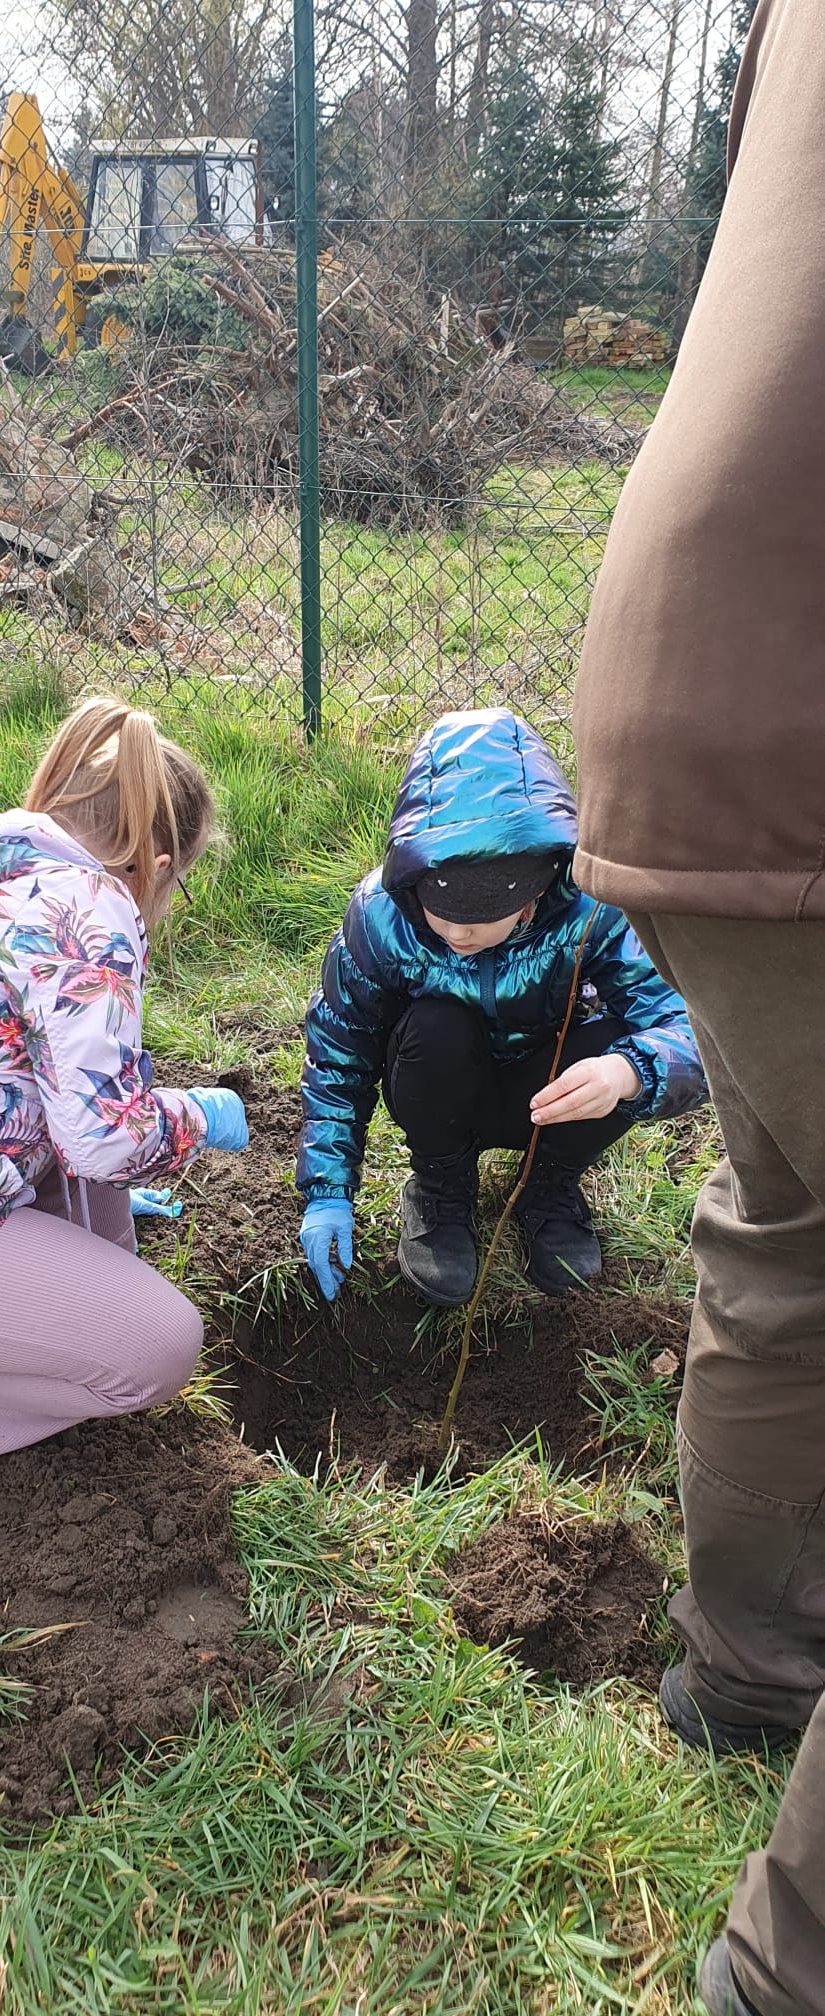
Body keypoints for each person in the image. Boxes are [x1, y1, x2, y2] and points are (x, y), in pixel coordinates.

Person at [573, 7, 825, 2013]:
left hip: (685, 676)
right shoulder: (385, 938)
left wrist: (633, 1062)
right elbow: (338, 1043)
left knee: (784, 1232)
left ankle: (750, 1671)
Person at [0, 695, 248, 1477]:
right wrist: (193, 1119)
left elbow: (13, 1088)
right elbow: (108, 1138)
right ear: (159, 865)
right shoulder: (91, 905)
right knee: (160, 1347)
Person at [296, 707, 705, 1308]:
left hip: (546, 1096)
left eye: (483, 915)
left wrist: (627, 1073)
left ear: (534, 894)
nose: (460, 933)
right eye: (445, 912)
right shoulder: (381, 916)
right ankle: (442, 1190)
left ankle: (550, 1188)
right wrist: (327, 1191)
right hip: (439, 1087)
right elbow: (339, 1049)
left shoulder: (595, 905)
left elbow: (690, 1027)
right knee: (432, 1025)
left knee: (611, 1045)